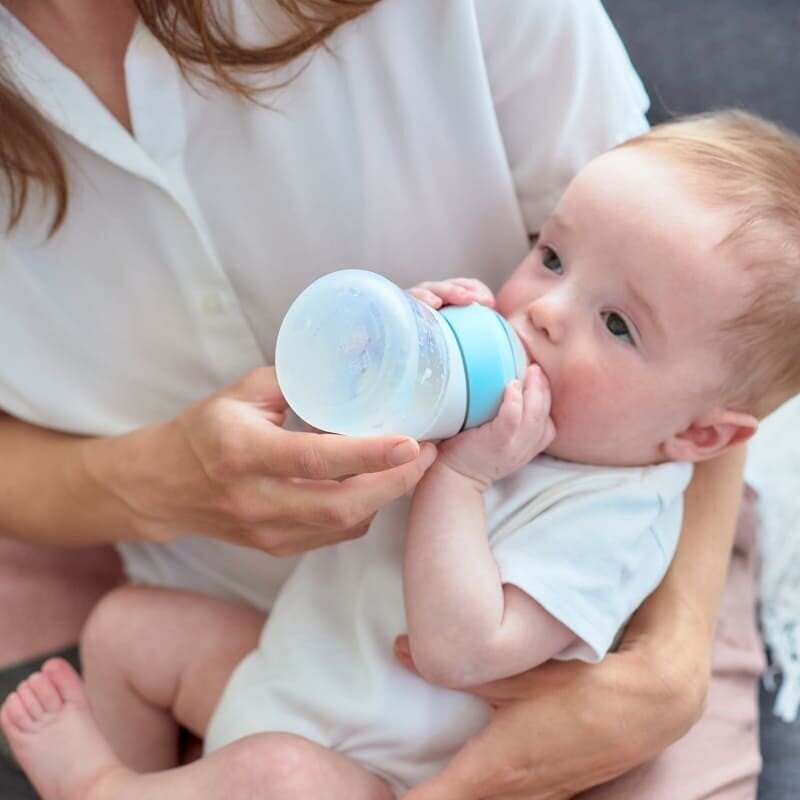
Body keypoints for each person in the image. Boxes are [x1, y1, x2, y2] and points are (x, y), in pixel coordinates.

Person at [0, 1, 763, 798]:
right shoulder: (506, 406)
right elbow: (347, 412)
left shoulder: (613, 515)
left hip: (385, 766)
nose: (542, 309)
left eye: (615, 324)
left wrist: (459, 480)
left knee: (282, 775)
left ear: (700, 434)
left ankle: (101, 786)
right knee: (127, 630)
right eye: (549, 257)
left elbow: (457, 653)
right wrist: (403, 337)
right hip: (284, 665)